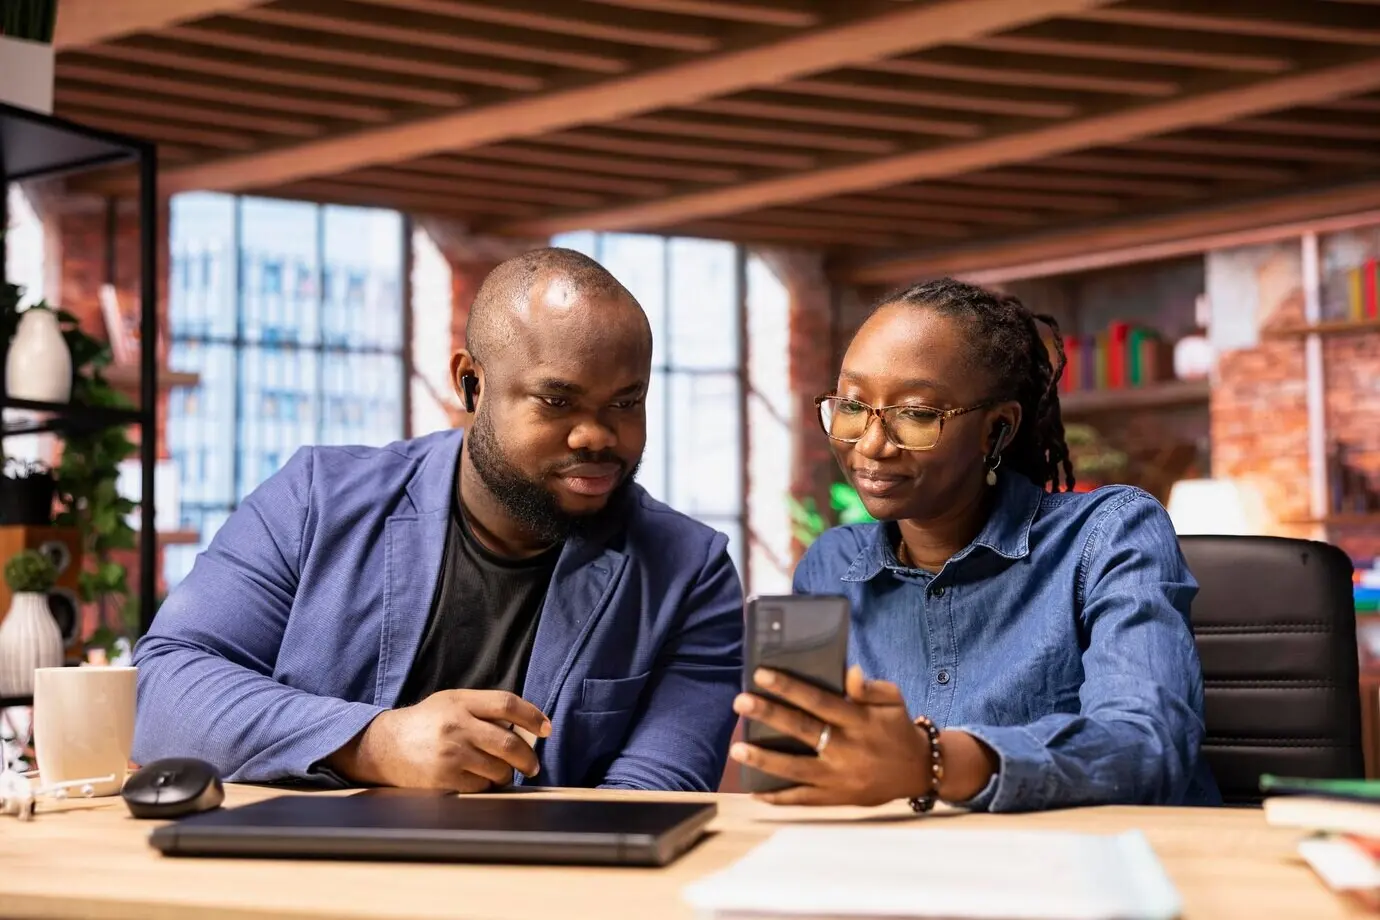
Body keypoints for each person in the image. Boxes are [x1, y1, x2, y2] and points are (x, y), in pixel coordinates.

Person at [133, 248, 743, 793]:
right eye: (557, 402)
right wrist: (374, 743)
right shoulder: (314, 501)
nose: (597, 434)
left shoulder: (690, 573)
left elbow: (654, 796)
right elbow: (160, 690)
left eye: (625, 402)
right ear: (471, 384)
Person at [730, 278, 1220, 813]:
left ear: (997, 431)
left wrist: (930, 762)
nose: (870, 445)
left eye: (916, 415)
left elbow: (1147, 749)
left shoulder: (1109, 536)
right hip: (905, 877)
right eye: (851, 405)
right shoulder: (831, 566)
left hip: (1091, 872)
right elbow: (805, 771)